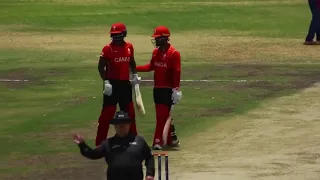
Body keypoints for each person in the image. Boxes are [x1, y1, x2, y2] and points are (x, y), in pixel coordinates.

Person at [136, 26, 183, 150]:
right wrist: (135, 68)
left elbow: (176, 72)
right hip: (157, 88)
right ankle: (170, 139)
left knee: (163, 116)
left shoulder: (174, 53)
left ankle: (158, 141)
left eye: (157, 38)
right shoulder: (156, 52)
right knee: (162, 115)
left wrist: (176, 89)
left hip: (168, 89)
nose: (155, 40)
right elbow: (151, 66)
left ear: (164, 38)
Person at [73, 111, 155, 180]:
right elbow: (93, 154)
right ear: (115, 126)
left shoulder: (139, 141)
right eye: (119, 123)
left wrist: (150, 174)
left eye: (124, 123)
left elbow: (149, 157)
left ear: (129, 125)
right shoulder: (108, 143)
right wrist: (82, 144)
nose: (122, 126)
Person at [96, 22, 141, 146]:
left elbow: (132, 62)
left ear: (124, 34)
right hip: (112, 85)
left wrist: (135, 75)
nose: (116, 38)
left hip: (125, 85)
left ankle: (134, 140)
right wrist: (106, 82)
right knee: (106, 115)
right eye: (114, 35)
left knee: (130, 114)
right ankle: (100, 143)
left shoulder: (129, 47)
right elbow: (101, 67)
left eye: (118, 35)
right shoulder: (108, 49)